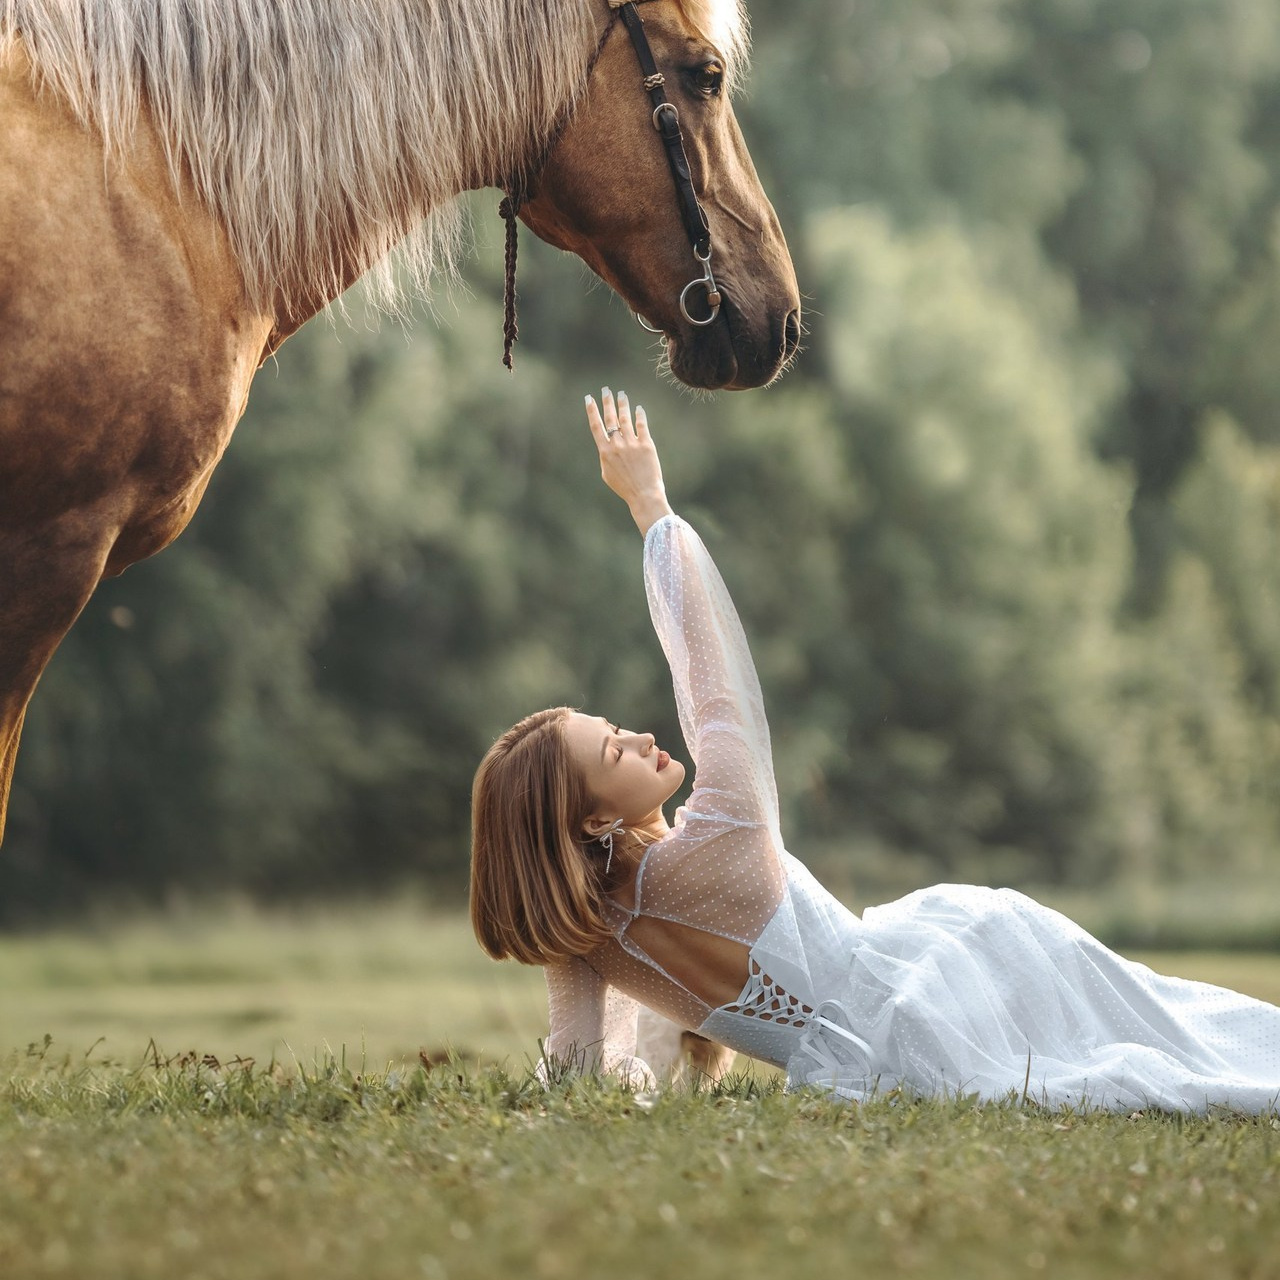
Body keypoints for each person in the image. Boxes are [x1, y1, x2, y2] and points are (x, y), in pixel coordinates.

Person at [469, 388, 1280, 1113]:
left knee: (1151, 1029)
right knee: (1156, 1028)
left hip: (887, 1035)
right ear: (594, 821)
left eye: (618, 730)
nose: (642, 737)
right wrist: (653, 509)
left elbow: (573, 1068)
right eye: (615, 751)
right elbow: (712, 682)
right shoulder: (719, 833)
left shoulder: (586, 938)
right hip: (936, 989)